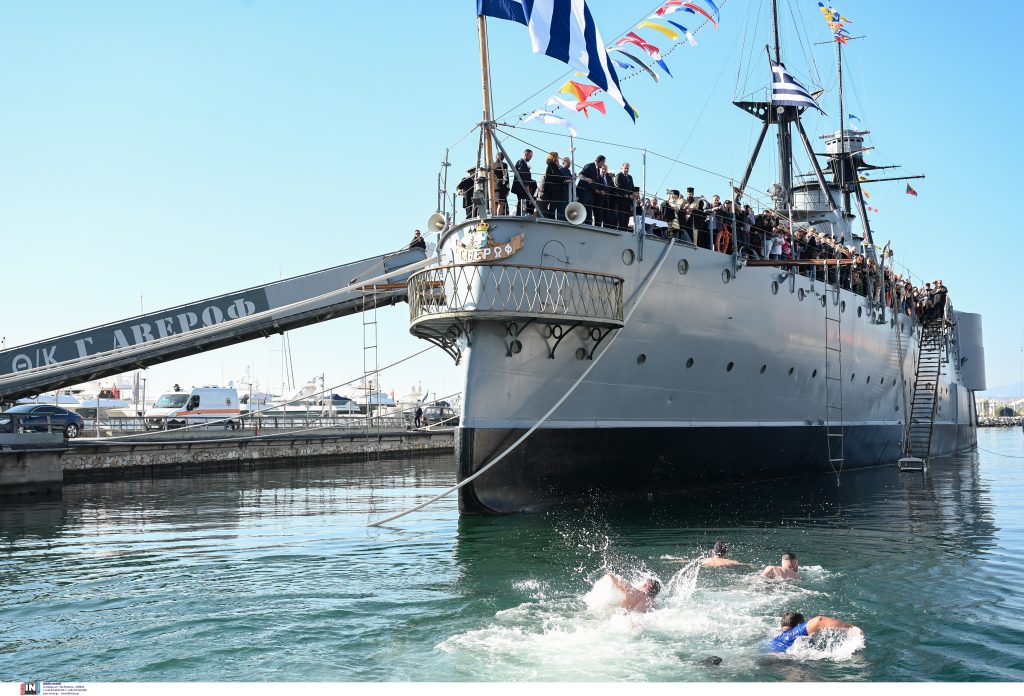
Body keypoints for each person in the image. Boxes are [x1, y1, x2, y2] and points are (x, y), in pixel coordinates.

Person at [767, 611, 862, 654]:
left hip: (767, 658)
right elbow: (819, 620)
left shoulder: (776, 638)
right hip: (786, 660)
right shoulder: (796, 632)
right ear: (799, 625)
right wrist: (851, 628)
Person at [537, 151, 568, 220]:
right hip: (553, 190)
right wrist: (564, 180)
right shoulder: (552, 165)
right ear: (555, 157)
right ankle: (551, 218)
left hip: (551, 189)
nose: (558, 158)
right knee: (553, 206)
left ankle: (550, 218)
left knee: (552, 206)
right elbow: (557, 175)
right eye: (558, 157)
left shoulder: (551, 165)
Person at [512, 149, 536, 215]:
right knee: (521, 201)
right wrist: (527, 185)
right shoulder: (521, 162)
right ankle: (520, 215)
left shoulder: (522, 162)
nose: (530, 158)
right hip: (521, 187)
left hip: (521, 187)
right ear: (526, 154)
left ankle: (520, 214)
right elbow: (523, 174)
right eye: (530, 156)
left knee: (522, 201)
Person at [614, 162, 637, 230]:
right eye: (625, 168)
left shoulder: (630, 177)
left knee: (627, 217)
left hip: (628, 201)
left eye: (627, 168)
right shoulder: (618, 176)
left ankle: (625, 229)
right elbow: (618, 187)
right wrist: (627, 195)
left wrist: (635, 193)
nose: (626, 170)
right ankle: (620, 230)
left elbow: (632, 187)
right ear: (621, 168)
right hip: (621, 200)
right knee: (621, 217)